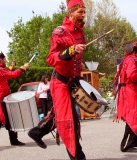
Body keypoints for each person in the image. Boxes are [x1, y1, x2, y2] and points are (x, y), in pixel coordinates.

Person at [46, 0, 87, 159]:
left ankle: (37, 131)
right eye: (80, 12)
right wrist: (70, 51)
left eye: (84, 12)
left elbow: (75, 58)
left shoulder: (80, 32)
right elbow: (50, 58)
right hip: (60, 82)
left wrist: (79, 62)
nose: (83, 16)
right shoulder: (60, 31)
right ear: (71, 13)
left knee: (72, 121)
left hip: (72, 82)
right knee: (66, 122)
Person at [0, 52, 30, 149]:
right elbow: (12, 74)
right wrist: (23, 67)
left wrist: (12, 66)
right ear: (1, 60)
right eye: (5, 59)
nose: (6, 61)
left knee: (11, 118)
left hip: (4, 96)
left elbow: (7, 73)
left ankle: (14, 140)